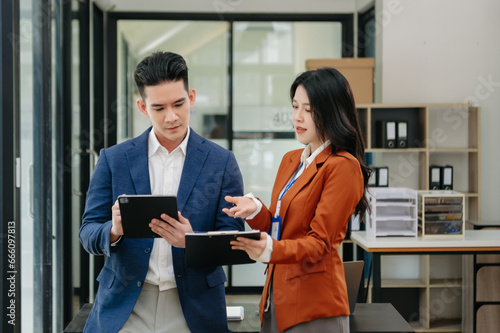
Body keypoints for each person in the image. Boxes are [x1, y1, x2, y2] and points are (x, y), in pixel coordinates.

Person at [79, 51, 245, 333]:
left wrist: (192, 241)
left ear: (191, 97)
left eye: (178, 104)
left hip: (194, 307)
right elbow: (88, 232)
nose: (171, 117)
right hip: (125, 306)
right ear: (143, 108)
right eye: (159, 108)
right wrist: (114, 230)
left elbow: (235, 241)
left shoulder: (221, 161)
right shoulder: (114, 159)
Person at [223, 67, 371, 332]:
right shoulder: (291, 160)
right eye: (294, 106)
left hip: (314, 305)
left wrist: (271, 250)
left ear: (332, 111)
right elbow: (280, 226)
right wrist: (255, 209)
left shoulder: (342, 166)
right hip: (277, 295)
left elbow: (319, 244)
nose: (297, 117)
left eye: (309, 109)